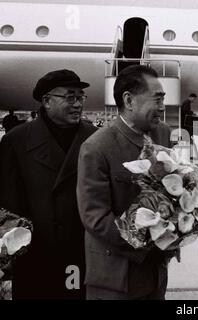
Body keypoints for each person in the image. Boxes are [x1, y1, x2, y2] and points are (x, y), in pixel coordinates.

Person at [77, 64, 175, 300]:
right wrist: (149, 240)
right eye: (157, 99)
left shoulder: (162, 133)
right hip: (115, 278)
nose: (162, 107)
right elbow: (95, 217)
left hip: (155, 274)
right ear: (129, 100)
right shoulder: (97, 147)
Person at [0, 69, 96, 299]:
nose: (77, 104)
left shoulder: (95, 138)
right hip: (34, 253)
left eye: (81, 97)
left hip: (81, 250)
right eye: (70, 97)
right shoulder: (16, 140)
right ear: (47, 101)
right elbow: (7, 200)